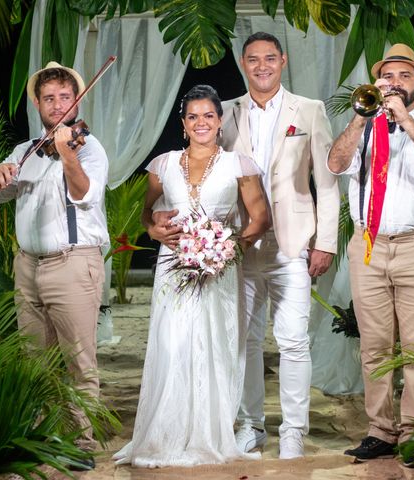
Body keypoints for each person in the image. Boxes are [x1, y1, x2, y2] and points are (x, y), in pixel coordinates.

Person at [112, 84, 271, 467]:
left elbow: (260, 217)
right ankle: (166, 428)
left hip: (219, 268)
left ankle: (210, 430)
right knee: (172, 342)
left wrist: (229, 249)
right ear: (183, 124)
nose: (201, 123)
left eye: (209, 116)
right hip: (173, 266)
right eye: (193, 116)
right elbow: (147, 215)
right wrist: (152, 230)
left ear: (220, 122)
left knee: (214, 344)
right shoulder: (162, 165)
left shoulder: (240, 165)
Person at [326, 44, 414, 467]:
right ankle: (381, 431)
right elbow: (334, 164)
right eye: (389, 76)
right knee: (375, 347)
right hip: (368, 248)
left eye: (405, 76)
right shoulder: (364, 128)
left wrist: (405, 120)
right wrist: (359, 119)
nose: (396, 83)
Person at [0, 61, 108, 470]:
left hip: (72, 263)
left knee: (78, 361)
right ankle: (42, 437)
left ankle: (81, 445)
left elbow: (84, 194)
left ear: (75, 101)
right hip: (29, 266)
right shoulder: (25, 151)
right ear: (38, 103)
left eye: (64, 98)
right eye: (49, 98)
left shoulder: (89, 147)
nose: (57, 106)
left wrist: (69, 152)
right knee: (36, 360)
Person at [219, 32, 340, 459]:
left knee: (292, 341)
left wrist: (325, 242)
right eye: (254, 59)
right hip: (241, 244)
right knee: (245, 342)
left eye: (270, 58)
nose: (262, 66)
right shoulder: (227, 114)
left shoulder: (309, 110)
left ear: (283, 61)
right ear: (243, 63)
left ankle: (293, 430)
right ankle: (251, 426)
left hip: (293, 244)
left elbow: (326, 182)